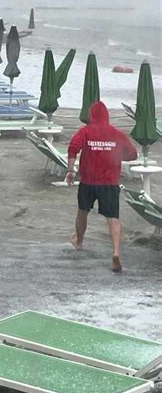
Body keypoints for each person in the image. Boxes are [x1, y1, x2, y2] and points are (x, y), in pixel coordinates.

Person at [66, 101, 137, 272]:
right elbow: (133, 154)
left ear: (92, 116)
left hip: (88, 181)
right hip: (110, 183)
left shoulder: (86, 131)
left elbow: (73, 148)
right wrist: (116, 156)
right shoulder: (117, 134)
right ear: (107, 115)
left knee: (83, 212)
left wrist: (71, 170)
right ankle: (115, 252)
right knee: (113, 218)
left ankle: (80, 241)